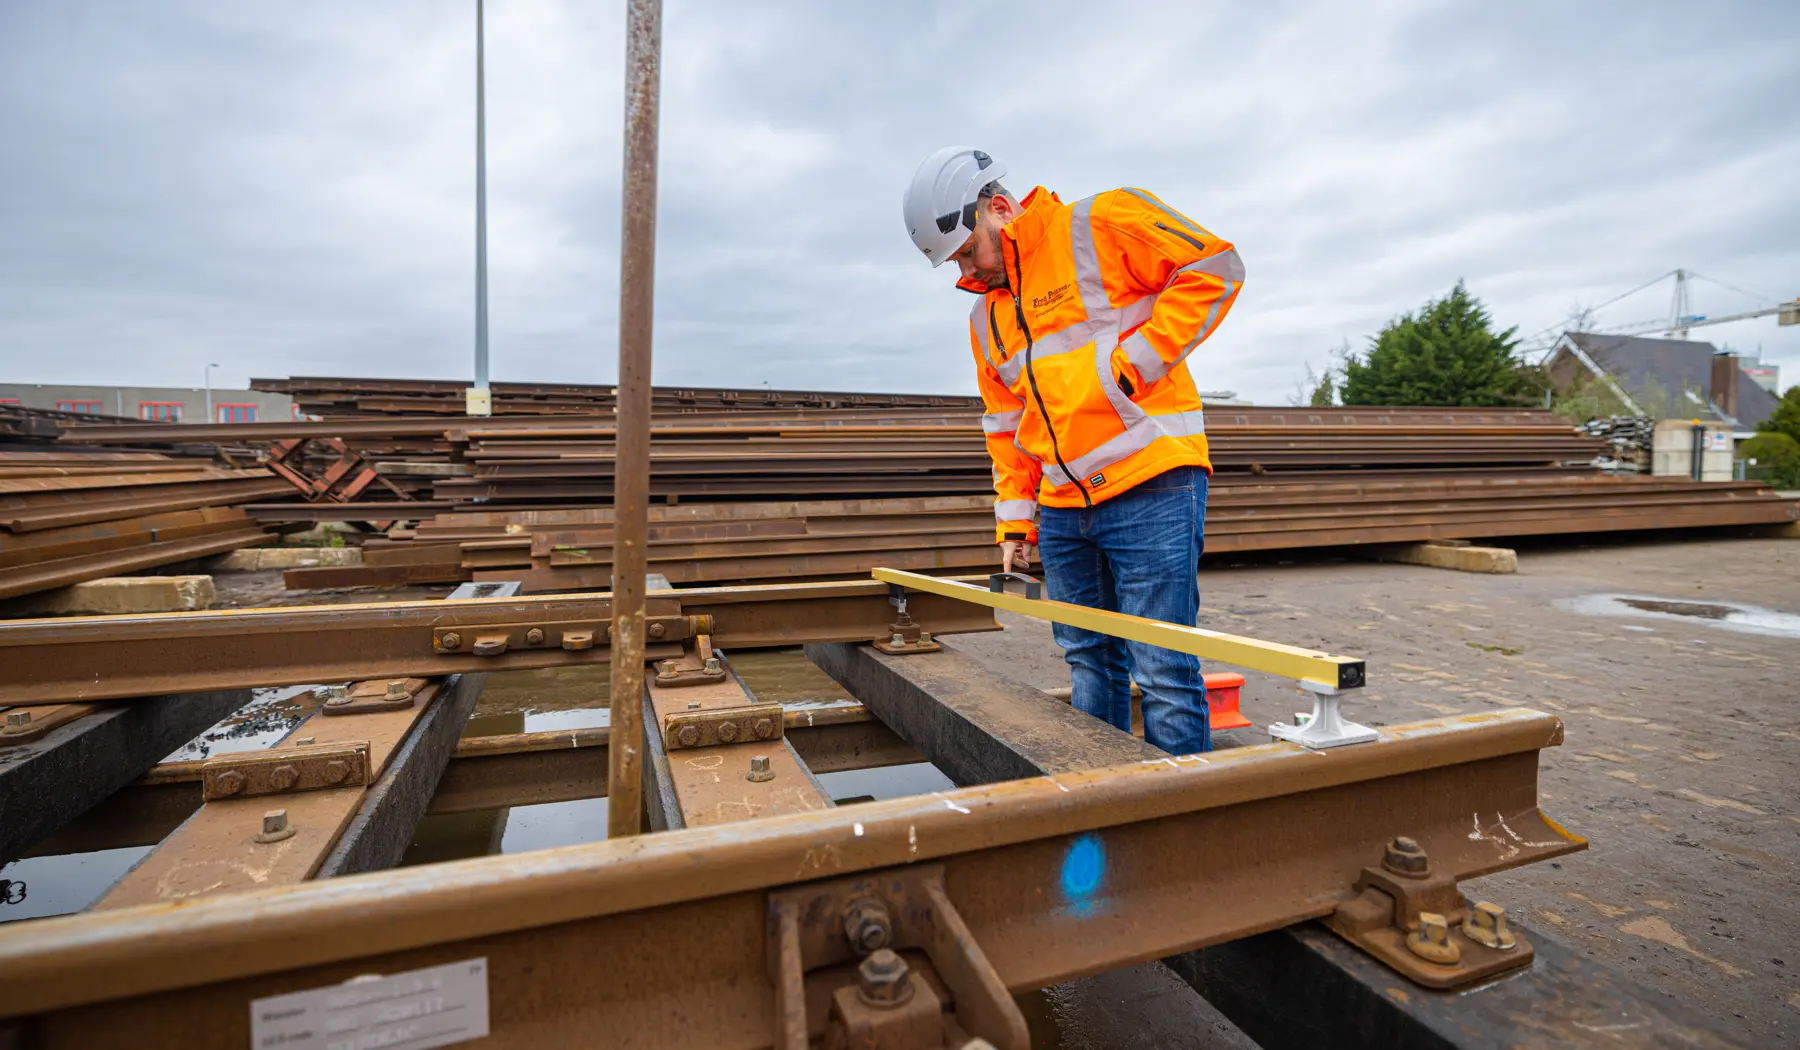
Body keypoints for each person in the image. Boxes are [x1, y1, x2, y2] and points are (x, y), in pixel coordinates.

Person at [902, 146, 1244, 755]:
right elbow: (1006, 425)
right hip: (1062, 506)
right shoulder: (986, 317)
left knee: (1163, 667)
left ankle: (1178, 807)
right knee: (1088, 658)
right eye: (955, 262)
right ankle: (1102, 790)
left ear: (998, 208)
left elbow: (1215, 267)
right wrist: (1015, 523)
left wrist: (1133, 367)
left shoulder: (1100, 223)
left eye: (969, 252)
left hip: (1151, 481)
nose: (967, 272)